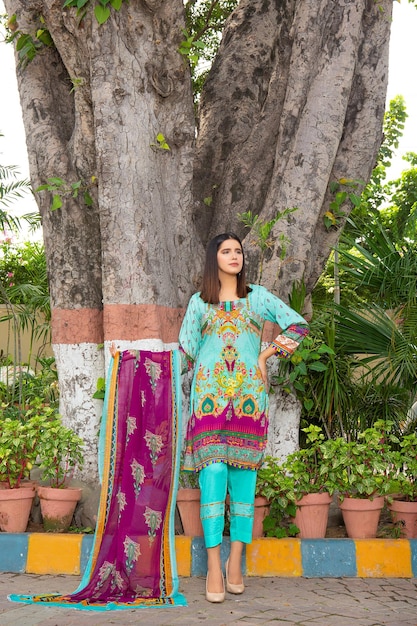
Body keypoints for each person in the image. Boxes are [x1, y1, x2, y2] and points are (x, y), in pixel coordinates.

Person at [178, 232, 309, 603]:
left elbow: (298, 326)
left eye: (237, 251)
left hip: (250, 402)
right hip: (207, 403)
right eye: (225, 251)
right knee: (214, 474)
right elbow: (185, 355)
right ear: (213, 258)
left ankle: (236, 559)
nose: (233, 256)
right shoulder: (199, 304)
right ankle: (214, 565)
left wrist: (267, 355)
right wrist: (144, 371)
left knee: (243, 481)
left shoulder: (258, 297)